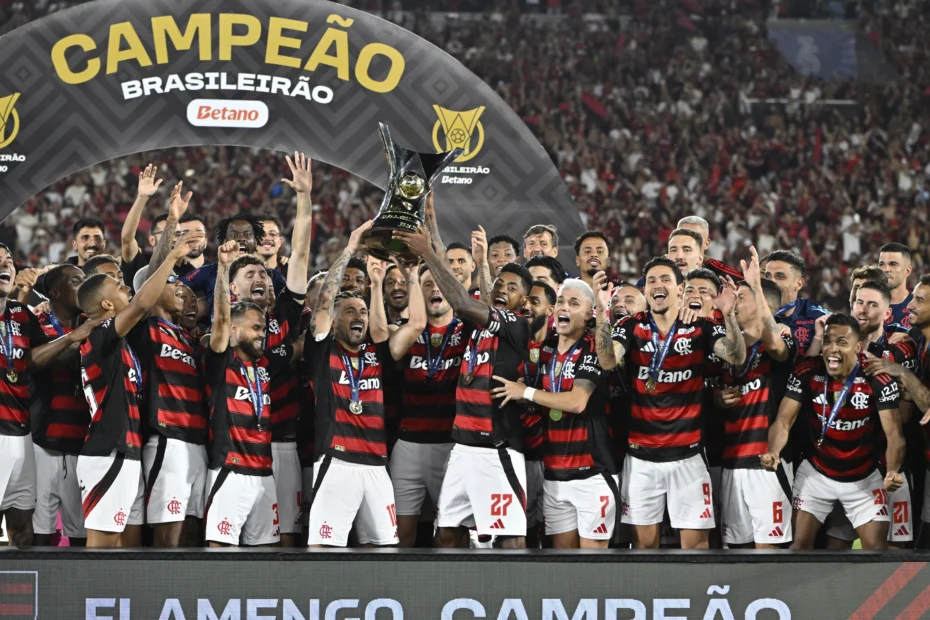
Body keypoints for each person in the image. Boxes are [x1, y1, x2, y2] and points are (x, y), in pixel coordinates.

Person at [394, 224, 533, 549]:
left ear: (523, 300)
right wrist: (431, 222)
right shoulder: (476, 327)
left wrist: (428, 253)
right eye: (499, 283)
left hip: (497, 448)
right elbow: (466, 297)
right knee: (447, 533)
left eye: (512, 287)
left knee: (509, 538)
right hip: (461, 447)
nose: (503, 289)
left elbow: (462, 303)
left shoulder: (516, 325)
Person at [593, 257, 747, 549]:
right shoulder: (630, 325)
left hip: (688, 456)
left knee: (696, 549)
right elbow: (608, 361)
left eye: (665, 279)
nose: (658, 285)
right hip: (641, 458)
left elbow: (735, 356)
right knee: (643, 549)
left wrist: (728, 316)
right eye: (651, 280)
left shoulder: (701, 326)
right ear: (646, 290)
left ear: (680, 288)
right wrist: (602, 313)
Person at [76, 231, 199, 548]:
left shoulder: (121, 343)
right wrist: (173, 256)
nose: (127, 288)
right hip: (108, 451)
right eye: (119, 287)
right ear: (106, 304)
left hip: (128, 450)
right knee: (101, 548)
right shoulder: (100, 334)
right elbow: (144, 301)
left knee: (129, 552)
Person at [762, 314, 905, 550]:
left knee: (876, 551)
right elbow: (783, 421)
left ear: (857, 347)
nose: (832, 349)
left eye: (841, 342)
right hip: (817, 474)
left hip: (864, 477)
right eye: (827, 341)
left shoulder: (877, 378)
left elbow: (895, 435)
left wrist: (891, 470)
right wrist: (773, 451)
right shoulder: (808, 371)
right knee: (799, 548)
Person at [495, 279, 616, 548]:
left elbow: (577, 402)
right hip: (554, 474)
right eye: (561, 301)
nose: (564, 307)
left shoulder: (593, 348)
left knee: (593, 565)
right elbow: (540, 397)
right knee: (562, 564)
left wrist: (526, 392)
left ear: (589, 314)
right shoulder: (545, 349)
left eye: (574, 303)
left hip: (592, 473)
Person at [303, 221, 401, 548]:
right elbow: (323, 303)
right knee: (324, 547)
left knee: (385, 549)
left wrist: (378, 281)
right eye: (348, 311)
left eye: (362, 311)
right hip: (336, 461)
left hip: (377, 464)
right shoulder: (323, 352)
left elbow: (391, 327)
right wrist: (349, 249)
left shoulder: (377, 354)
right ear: (333, 321)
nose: (358, 316)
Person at [202, 240, 298, 548]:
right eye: (255, 328)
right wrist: (223, 268)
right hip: (229, 470)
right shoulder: (222, 361)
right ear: (233, 330)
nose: (261, 334)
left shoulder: (265, 366)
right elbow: (220, 320)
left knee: (267, 554)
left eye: (263, 329)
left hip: (264, 472)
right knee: (220, 549)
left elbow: (299, 346)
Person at [0, 246, 96, 548]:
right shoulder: (31, 314)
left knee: (26, 525)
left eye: (8, 261)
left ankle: (28, 581)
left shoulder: (21, 315)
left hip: (29, 434)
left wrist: (86, 332)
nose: (4, 265)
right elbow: (35, 357)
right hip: (31, 437)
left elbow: (40, 357)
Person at [716, 248, 796, 548]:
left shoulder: (781, 339)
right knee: (737, 554)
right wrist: (718, 400)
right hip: (732, 462)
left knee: (771, 554)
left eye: (741, 297)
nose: (735, 301)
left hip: (767, 464)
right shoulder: (725, 348)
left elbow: (776, 347)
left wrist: (757, 286)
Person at [30, 264, 89, 547]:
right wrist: (75, 339)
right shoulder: (37, 324)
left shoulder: (95, 324)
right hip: (44, 443)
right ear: (55, 292)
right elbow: (32, 363)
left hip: (84, 445)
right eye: (76, 282)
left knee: (82, 536)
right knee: (40, 533)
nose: (84, 287)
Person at [183, 214, 286, 326]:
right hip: (220, 335)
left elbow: (291, 309)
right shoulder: (209, 271)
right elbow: (175, 289)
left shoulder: (272, 275)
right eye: (234, 235)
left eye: (247, 234)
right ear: (225, 241)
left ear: (256, 242)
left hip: (259, 335)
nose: (241, 239)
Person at [519, 281, 556, 546]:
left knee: (554, 532)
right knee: (522, 533)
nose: (527, 307)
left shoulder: (561, 345)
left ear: (551, 309)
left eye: (535, 301)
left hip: (555, 455)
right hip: (518, 453)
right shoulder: (510, 344)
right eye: (524, 301)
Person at [762, 250, 828, 357]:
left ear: (799, 284)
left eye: (780, 276)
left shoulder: (816, 316)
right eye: (768, 276)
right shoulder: (752, 315)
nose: (771, 282)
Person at [676, 216, 743, 281]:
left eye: (695, 238)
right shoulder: (670, 267)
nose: (688, 243)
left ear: (706, 244)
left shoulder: (720, 276)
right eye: (683, 237)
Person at [878, 243, 913, 327]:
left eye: (893, 264)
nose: (886, 269)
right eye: (881, 264)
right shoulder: (868, 304)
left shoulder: (917, 307)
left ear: (907, 271)